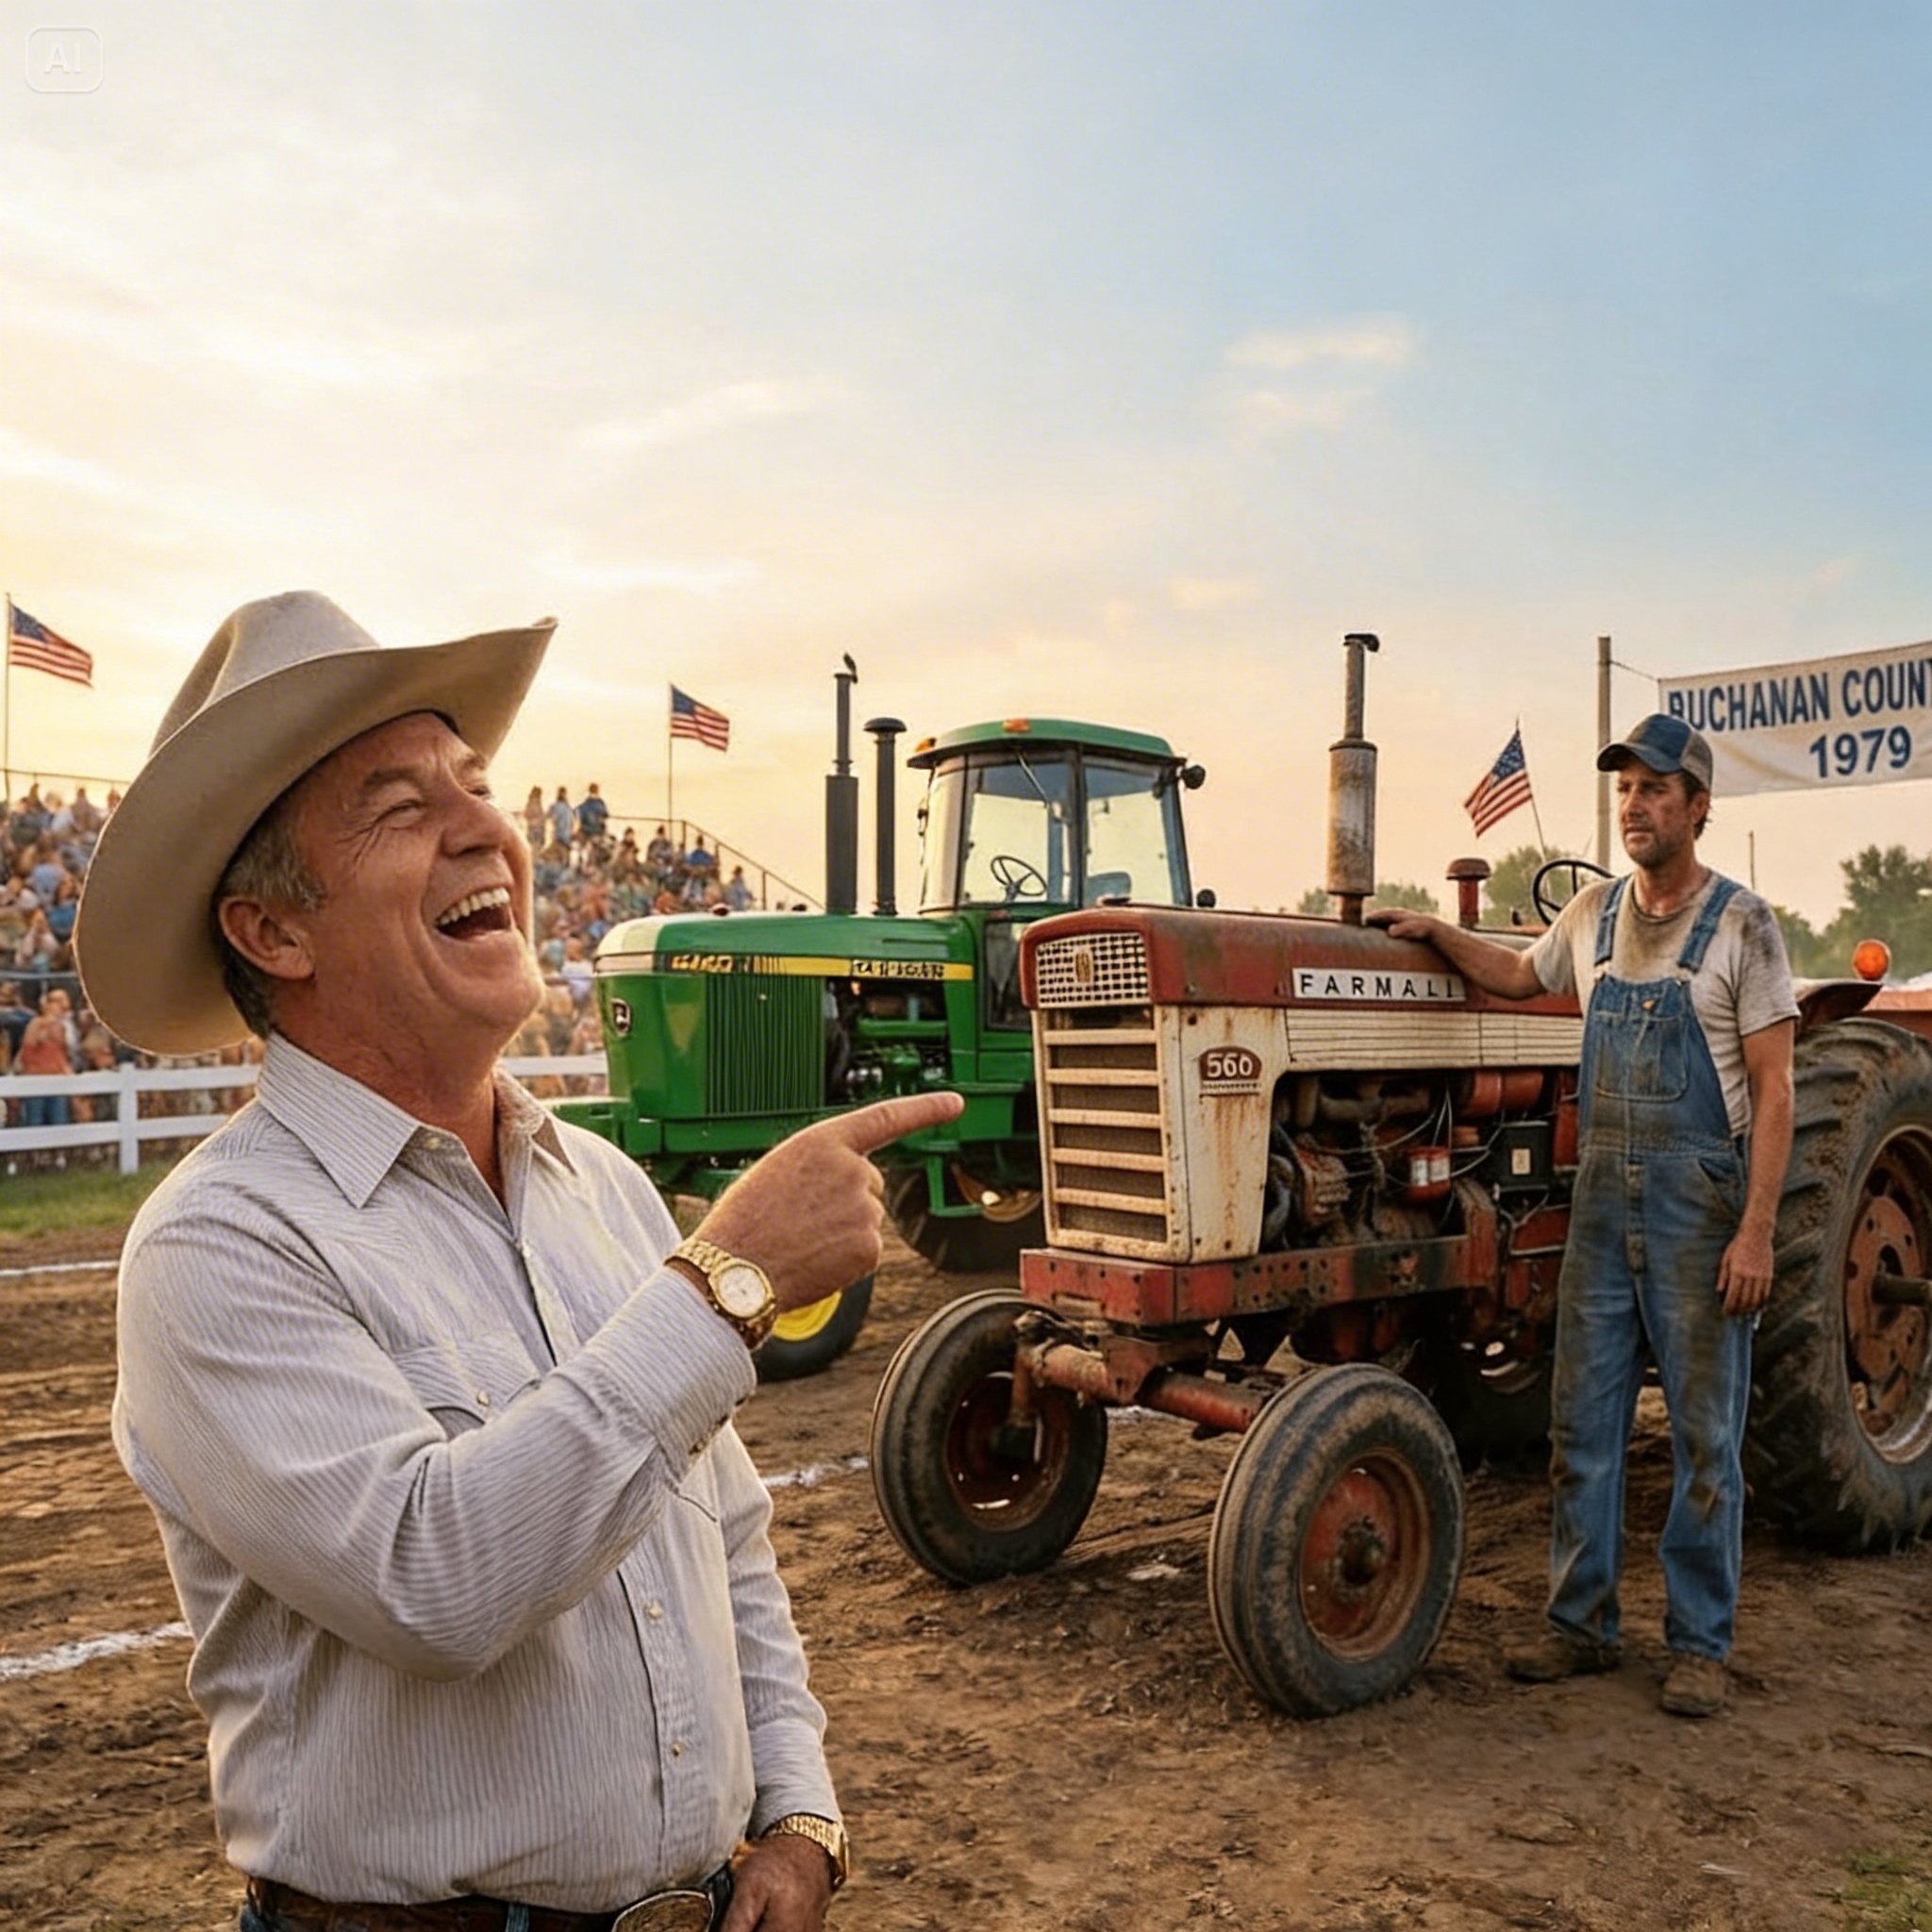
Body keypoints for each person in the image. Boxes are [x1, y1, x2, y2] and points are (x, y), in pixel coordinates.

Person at [75, 591, 963, 1932]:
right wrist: (727, 1280)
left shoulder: (600, 1187)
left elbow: (725, 1543)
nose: (485, 826)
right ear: (275, 932)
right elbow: (434, 1580)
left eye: (474, 786)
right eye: (396, 806)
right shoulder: (220, 1244)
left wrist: (796, 1819)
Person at [1369, 713, 1795, 1720]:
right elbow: (1518, 976)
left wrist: (1757, 1230)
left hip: (1699, 1208)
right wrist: (1437, 932)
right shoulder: (1592, 915)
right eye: (1623, 790)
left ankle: (1698, 1641)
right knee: (1582, 1423)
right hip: (1600, 1203)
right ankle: (1580, 1624)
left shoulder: (1742, 925)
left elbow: (1775, 1091)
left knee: (1701, 1434)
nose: (1634, 806)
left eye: (1654, 789)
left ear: (1696, 804)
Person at [575, 781, 609, 850]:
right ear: (597, 792)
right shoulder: (601, 804)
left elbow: (578, 814)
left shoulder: (584, 805)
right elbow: (605, 816)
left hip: (586, 832)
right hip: (597, 832)